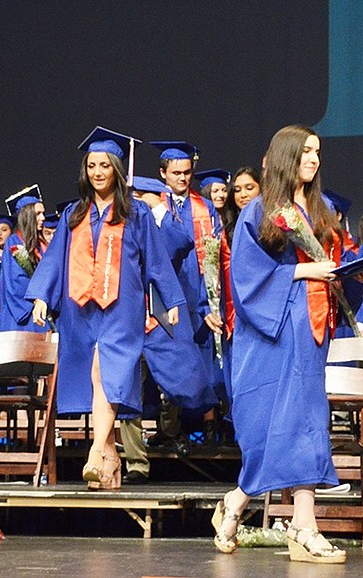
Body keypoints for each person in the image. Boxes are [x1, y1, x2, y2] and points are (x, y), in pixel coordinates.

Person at [26, 126, 186, 491]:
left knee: (106, 370)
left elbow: (156, 259)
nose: (98, 172)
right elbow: (55, 260)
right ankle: (111, 459)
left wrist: (170, 300)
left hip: (122, 305)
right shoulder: (73, 213)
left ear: (116, 168)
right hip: (78, 309)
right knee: (97, 376)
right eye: (92, 165)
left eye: (104, 165)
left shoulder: (136, 213)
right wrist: (41, 297)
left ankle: (95, 451)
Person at [214, 124, 345, 563]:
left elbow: (332, 264)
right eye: (306, 151)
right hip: (276, 327)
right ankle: (292, 522)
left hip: (312, 327)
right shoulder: (261, 210)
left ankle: (259, 509)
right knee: (285, 422)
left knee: (306, 418)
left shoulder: (321, 209)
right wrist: (305, 272)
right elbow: (247, 278)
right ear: (287, 155)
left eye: (318, 152)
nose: (314, 159)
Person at [119, 176, 217, 484]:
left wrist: (158, 209)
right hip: (128, 313)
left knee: (175, 373)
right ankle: (136, 461)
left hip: (162, 311)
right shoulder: (117, 223)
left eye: (142, 197)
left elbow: (183, 242)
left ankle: (169, 431)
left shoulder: (162, 221)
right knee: (128, 384)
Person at [149, 139, 221, 452]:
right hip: (165, 295)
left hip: (198, 294)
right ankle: (168, 430)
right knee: (169, 361)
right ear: (163, 173)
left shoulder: (205, 209)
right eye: (176, 172)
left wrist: (211, 298)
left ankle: (201, 431)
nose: (183, 178)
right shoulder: (151, 207)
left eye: (187, 172)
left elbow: (215, 255)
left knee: (199, 364)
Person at [0, 186, 48, 332]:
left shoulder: (41, 245)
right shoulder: (14, 243)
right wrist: (38, 297)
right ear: (28, 215)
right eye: (38, 214)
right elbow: (16, 281)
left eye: (43, 213)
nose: (43, 218)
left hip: (41, 310)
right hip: (25, 315)